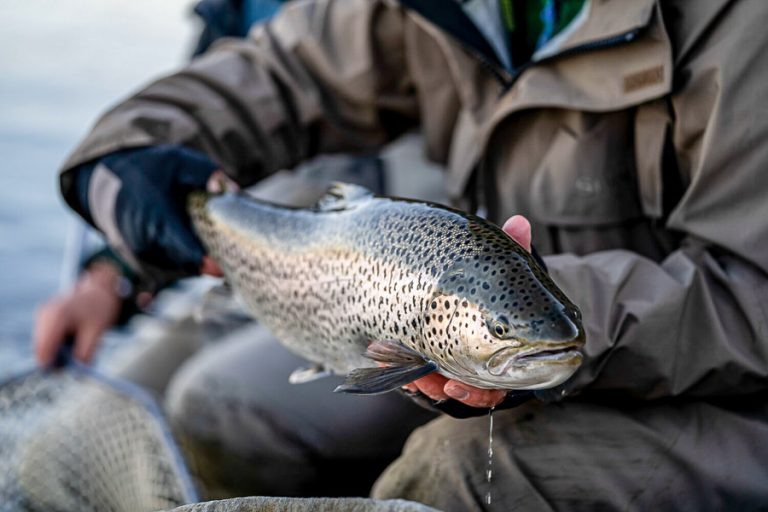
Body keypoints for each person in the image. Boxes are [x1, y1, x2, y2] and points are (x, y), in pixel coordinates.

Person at [49, 0, 768, 509]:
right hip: (481, 332)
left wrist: (557, 318)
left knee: (458, 474)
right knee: (222, 408)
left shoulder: (743, 27)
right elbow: (282, 71)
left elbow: (752, 295)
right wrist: (123, 157)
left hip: (726, 393)